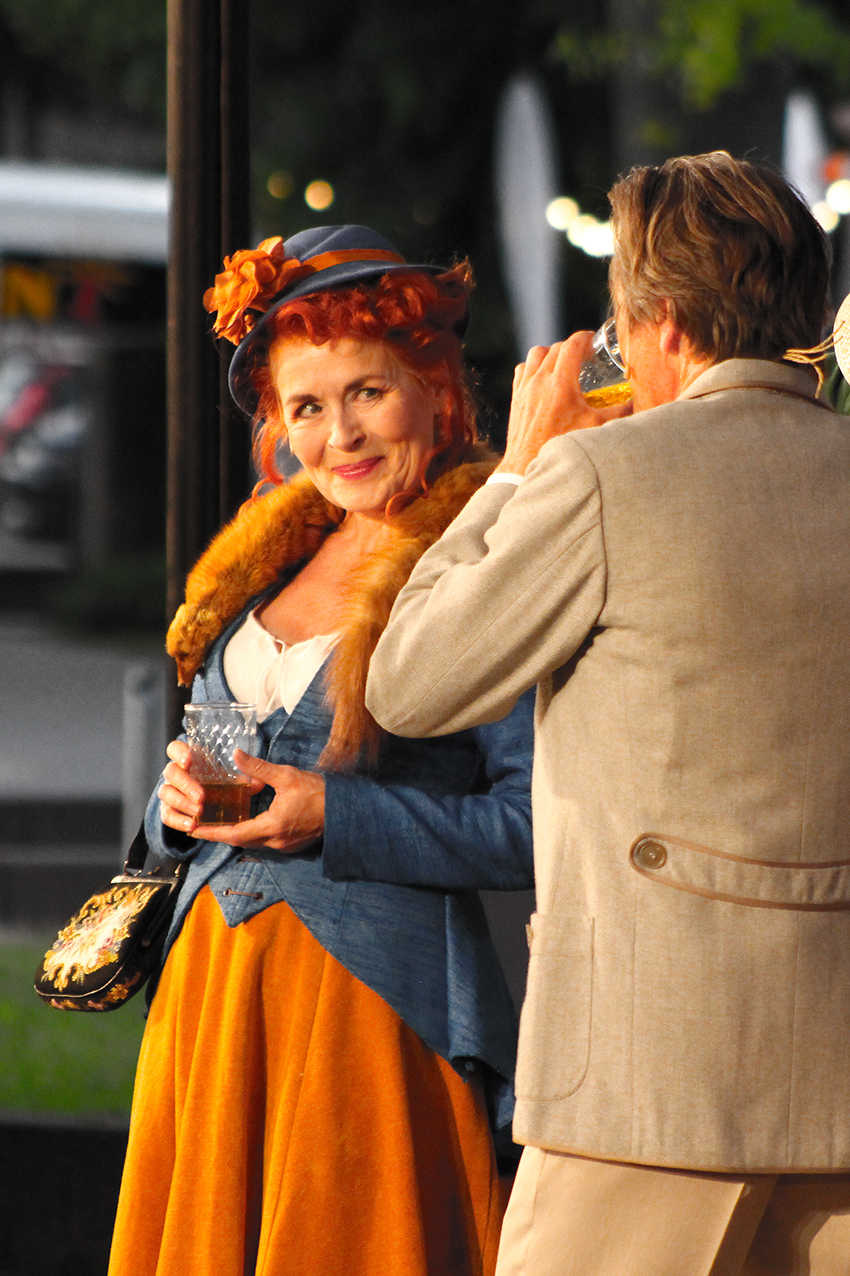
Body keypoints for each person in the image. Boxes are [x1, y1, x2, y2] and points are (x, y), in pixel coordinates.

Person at [365, 152, 850, 1276]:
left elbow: (410, 682)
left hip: (642, 1082)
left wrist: (517, 468)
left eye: (623, 327)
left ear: (664, 324)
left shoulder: (601, 475)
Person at [107, 224, 535, 1276]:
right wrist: (174, 809)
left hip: (370, 1013)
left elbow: (533, 824)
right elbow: (208, 763)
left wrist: (334, 814)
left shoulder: (487, 555)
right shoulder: (265, 558)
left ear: (435, 387)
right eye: (305, 406)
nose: (339, 434)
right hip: (211, 997)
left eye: (367, 392)